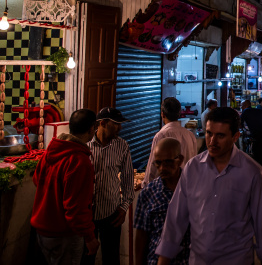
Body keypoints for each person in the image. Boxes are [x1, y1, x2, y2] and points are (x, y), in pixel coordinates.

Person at [155, 108, 262, 265]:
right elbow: (175, 220)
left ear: (235, 137)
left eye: (220, 136)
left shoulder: (252, 173)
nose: (212, 141)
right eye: (209, 133)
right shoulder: (192, 169)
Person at [31, 109, 99, 265]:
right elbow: (75, 208)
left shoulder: (50, 151)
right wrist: (90, 237)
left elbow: (37, 180)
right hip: (63, 234)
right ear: (91, 130)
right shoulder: (80, 161)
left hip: (42, 231)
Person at [83, 107, 134, 265]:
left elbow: (127, 178)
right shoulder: (85, 146)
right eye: (116, 124)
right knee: (85, 259)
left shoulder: (122, 146)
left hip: (111, 213)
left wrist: (124, 206)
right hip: (86, 215)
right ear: (103, 123)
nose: (120, 128)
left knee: (111, 258)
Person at [134, 138, 190, 265]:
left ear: (180, 160)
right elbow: (141, 236)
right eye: (158, 163)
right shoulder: (148, 194)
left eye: (168, 162)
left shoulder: (193, 189)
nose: (162, 168)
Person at [141, 97, 198, 189]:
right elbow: (194, 163)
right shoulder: (190, 135)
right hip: (186, 187)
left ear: (162, 114)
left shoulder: (160, 135)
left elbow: (153, 165)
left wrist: (146, 185)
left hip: (165, 188)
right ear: (179, 114)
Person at [241, 99, 262, 183]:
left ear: (244, 106)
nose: (241, 107)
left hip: (257, 135)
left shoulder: (245, 112)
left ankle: (259, 178)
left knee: (258, 156)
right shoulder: (256, 110)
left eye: (241, 105)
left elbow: (239, 124)